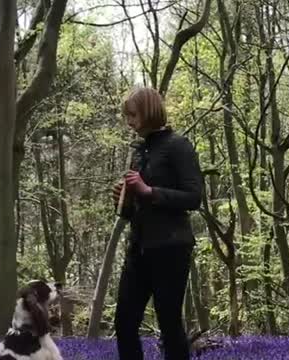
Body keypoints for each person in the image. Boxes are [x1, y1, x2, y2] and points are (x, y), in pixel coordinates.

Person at [112, 87, 203, 360]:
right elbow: (135, 209)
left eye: (132, 114)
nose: (128, 121)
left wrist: (149, 191)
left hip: (171, 248)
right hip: (139, 247)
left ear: (149, 111)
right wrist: (124, 200)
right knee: (124, 322)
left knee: (169, 323)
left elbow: (194, 196)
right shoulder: (139, 152)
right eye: (126, 115)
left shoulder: (178, 146)